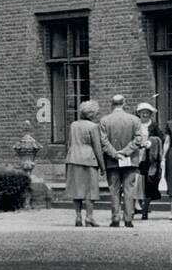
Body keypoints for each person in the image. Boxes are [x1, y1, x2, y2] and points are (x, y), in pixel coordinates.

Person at [99, 94, 142, 228]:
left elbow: (103, 141)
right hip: (130, 159)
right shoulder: (134, 120)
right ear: (124, 103)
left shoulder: (104, 120)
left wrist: (115, 153)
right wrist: (125, 152)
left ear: (112, 104)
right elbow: (138, 139)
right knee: (129, 189)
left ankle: (115, 217)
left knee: (114, 189)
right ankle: (128, 218)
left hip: (112, 160)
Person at [64, 100, 106, 227]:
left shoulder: (73, 125)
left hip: (73, 158)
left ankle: (78, 217)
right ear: (92, 114)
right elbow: (97, 147)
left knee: (77, 190)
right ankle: (89, 217)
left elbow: (69, 143)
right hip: (89, 160)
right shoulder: (93, 127)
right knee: (90, 191)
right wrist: (102, 166)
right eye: (96, 113)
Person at [133, 102, 163, 220]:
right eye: (142, 112)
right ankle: (136, 205)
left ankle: (145, 209)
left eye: (147, 112)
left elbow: (161, 138)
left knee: (149, 182)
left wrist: (151, 142)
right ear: (139, 113)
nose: (144, 114)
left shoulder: (153, 126)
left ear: (150, 114)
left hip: (150, 159)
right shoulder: (135, 125)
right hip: (136, 156)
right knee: (137, 181)